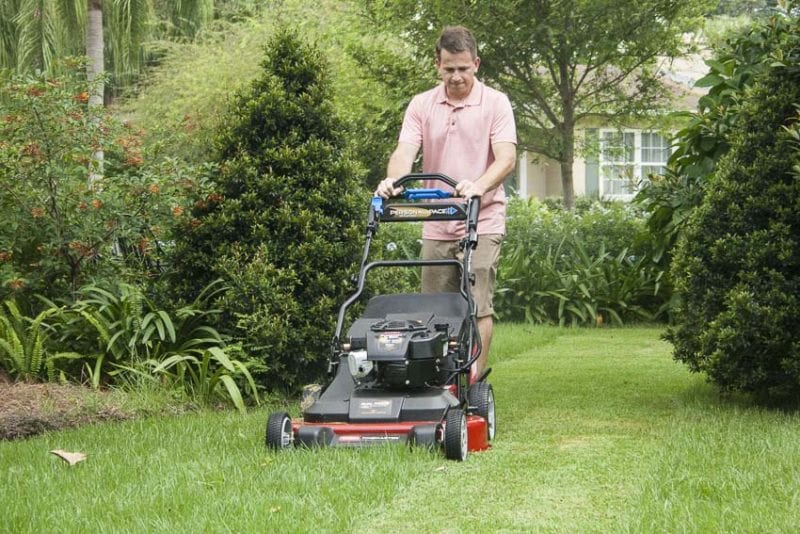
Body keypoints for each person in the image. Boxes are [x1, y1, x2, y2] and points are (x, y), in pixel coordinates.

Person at [376, 25, 517, 378]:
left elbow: (506, 159)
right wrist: (394, 180)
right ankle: (437, 379)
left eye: (464, 69)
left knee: (478, 306)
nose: (456, 77)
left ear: (477, 64)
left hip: (481, 219)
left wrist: (478, 186)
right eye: (449, 68)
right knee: (434, 308)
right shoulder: (422, 104)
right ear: (438, 65)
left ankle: (472, 384)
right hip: (436, 219)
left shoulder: (496, 103)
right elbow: (405, 150)